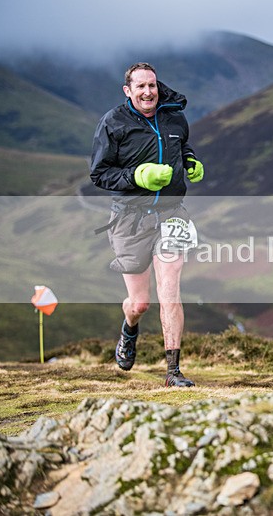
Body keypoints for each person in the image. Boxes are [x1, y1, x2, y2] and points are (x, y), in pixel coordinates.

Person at [90, 62, 205, 387]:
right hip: (130, 219)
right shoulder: (114, 122)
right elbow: (99, 173)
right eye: (140, 86)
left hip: (171, 215)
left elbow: (181, 146)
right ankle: (129, 330)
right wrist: (137, 176)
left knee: (170, 292)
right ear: (128, 91)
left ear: (158, 85)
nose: (147, 92)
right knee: (140, 302)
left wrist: (191, 162)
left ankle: (173, 372)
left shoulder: (174, 116)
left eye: (151, 85)